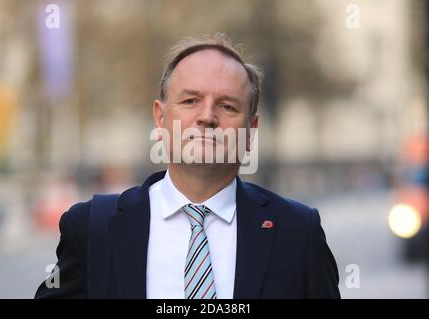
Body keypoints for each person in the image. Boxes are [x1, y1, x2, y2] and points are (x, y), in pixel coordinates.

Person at [35, 33, 340, 299]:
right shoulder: (92, 229)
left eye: (227, 106)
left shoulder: (297, 232)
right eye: (191, 100)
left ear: (251, 130)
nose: (207, 116)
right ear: (160, 117)